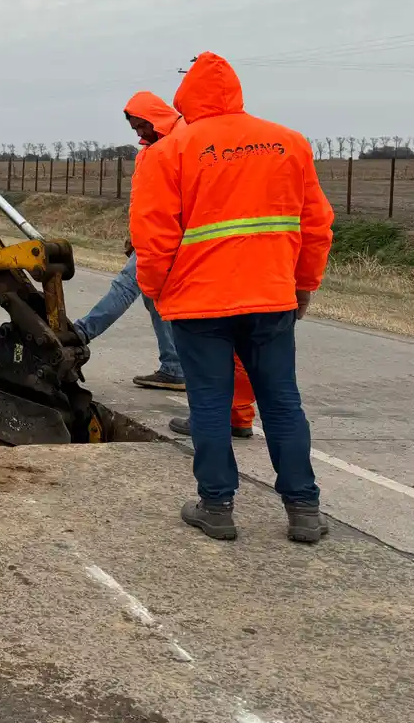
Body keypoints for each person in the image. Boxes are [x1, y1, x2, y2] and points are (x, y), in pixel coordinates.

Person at [132, 52, 334, 544]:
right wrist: (302, 285)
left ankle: (217, 507)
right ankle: (304, 510)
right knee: (283, 403)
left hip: (200, 305)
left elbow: (153, 236)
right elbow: (316, 226)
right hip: (271, 299)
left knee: (209, 403)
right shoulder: (289, 143)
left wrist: (157, 291)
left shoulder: (170, 151)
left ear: (186, 99)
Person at [70, 92, 186, 391]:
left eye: (140, 126)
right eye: (134, 128)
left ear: (154, 118)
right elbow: (147, 198)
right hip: (153, 234)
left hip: (170, 236)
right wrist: (135, 235)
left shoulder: (180, 143)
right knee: (153, 298)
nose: (138, 133)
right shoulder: (154, 147)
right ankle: (174, 367)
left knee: (126, 285)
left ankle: (80, 333)